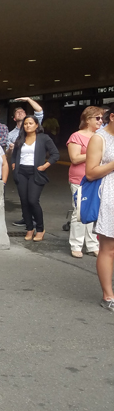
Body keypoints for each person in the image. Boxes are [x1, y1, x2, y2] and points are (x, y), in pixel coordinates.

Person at [11, 116, 59, 242]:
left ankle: (40, 228)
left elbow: (55, 154)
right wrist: (13, 164)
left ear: (36, 125)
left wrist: (46, 165)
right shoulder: (20, 138)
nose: (27, 126)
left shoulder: (44, 138)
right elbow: (15, 154)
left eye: (30, 123)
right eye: (26, 123)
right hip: (21, 172)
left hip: (36, 172)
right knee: (24, 201)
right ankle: (29, 228)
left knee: (32, 200)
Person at [86, 104, 114, 311]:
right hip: (110, 195)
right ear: (112, 117)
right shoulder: (99, 138)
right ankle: (108, 296)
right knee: (109, 248)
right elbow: (91, 173)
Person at [66, 106, 102, 258]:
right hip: (80, 179)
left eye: (102, 118)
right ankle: (76, 244)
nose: (101, 121)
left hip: (98, 177)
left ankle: (93, 244)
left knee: (95, 211)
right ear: (88, 120)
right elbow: (74, 158)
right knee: (80, 211)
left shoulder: (101, 136)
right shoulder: (77, 136)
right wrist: (93, 152)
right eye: (97, 118)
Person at [8, 98, 44, 226]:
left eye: (22, 111)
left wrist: (28, 99)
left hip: (35, 170)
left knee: (33, 199)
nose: (20, 113)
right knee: (24, 198)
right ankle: (27, 221)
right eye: (17, 112)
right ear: (14, 118)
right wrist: (12, 157)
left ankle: (38, 224)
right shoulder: (12, 134)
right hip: (21, 169)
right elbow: (10, 153)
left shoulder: (34, 126)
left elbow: (39, 111)